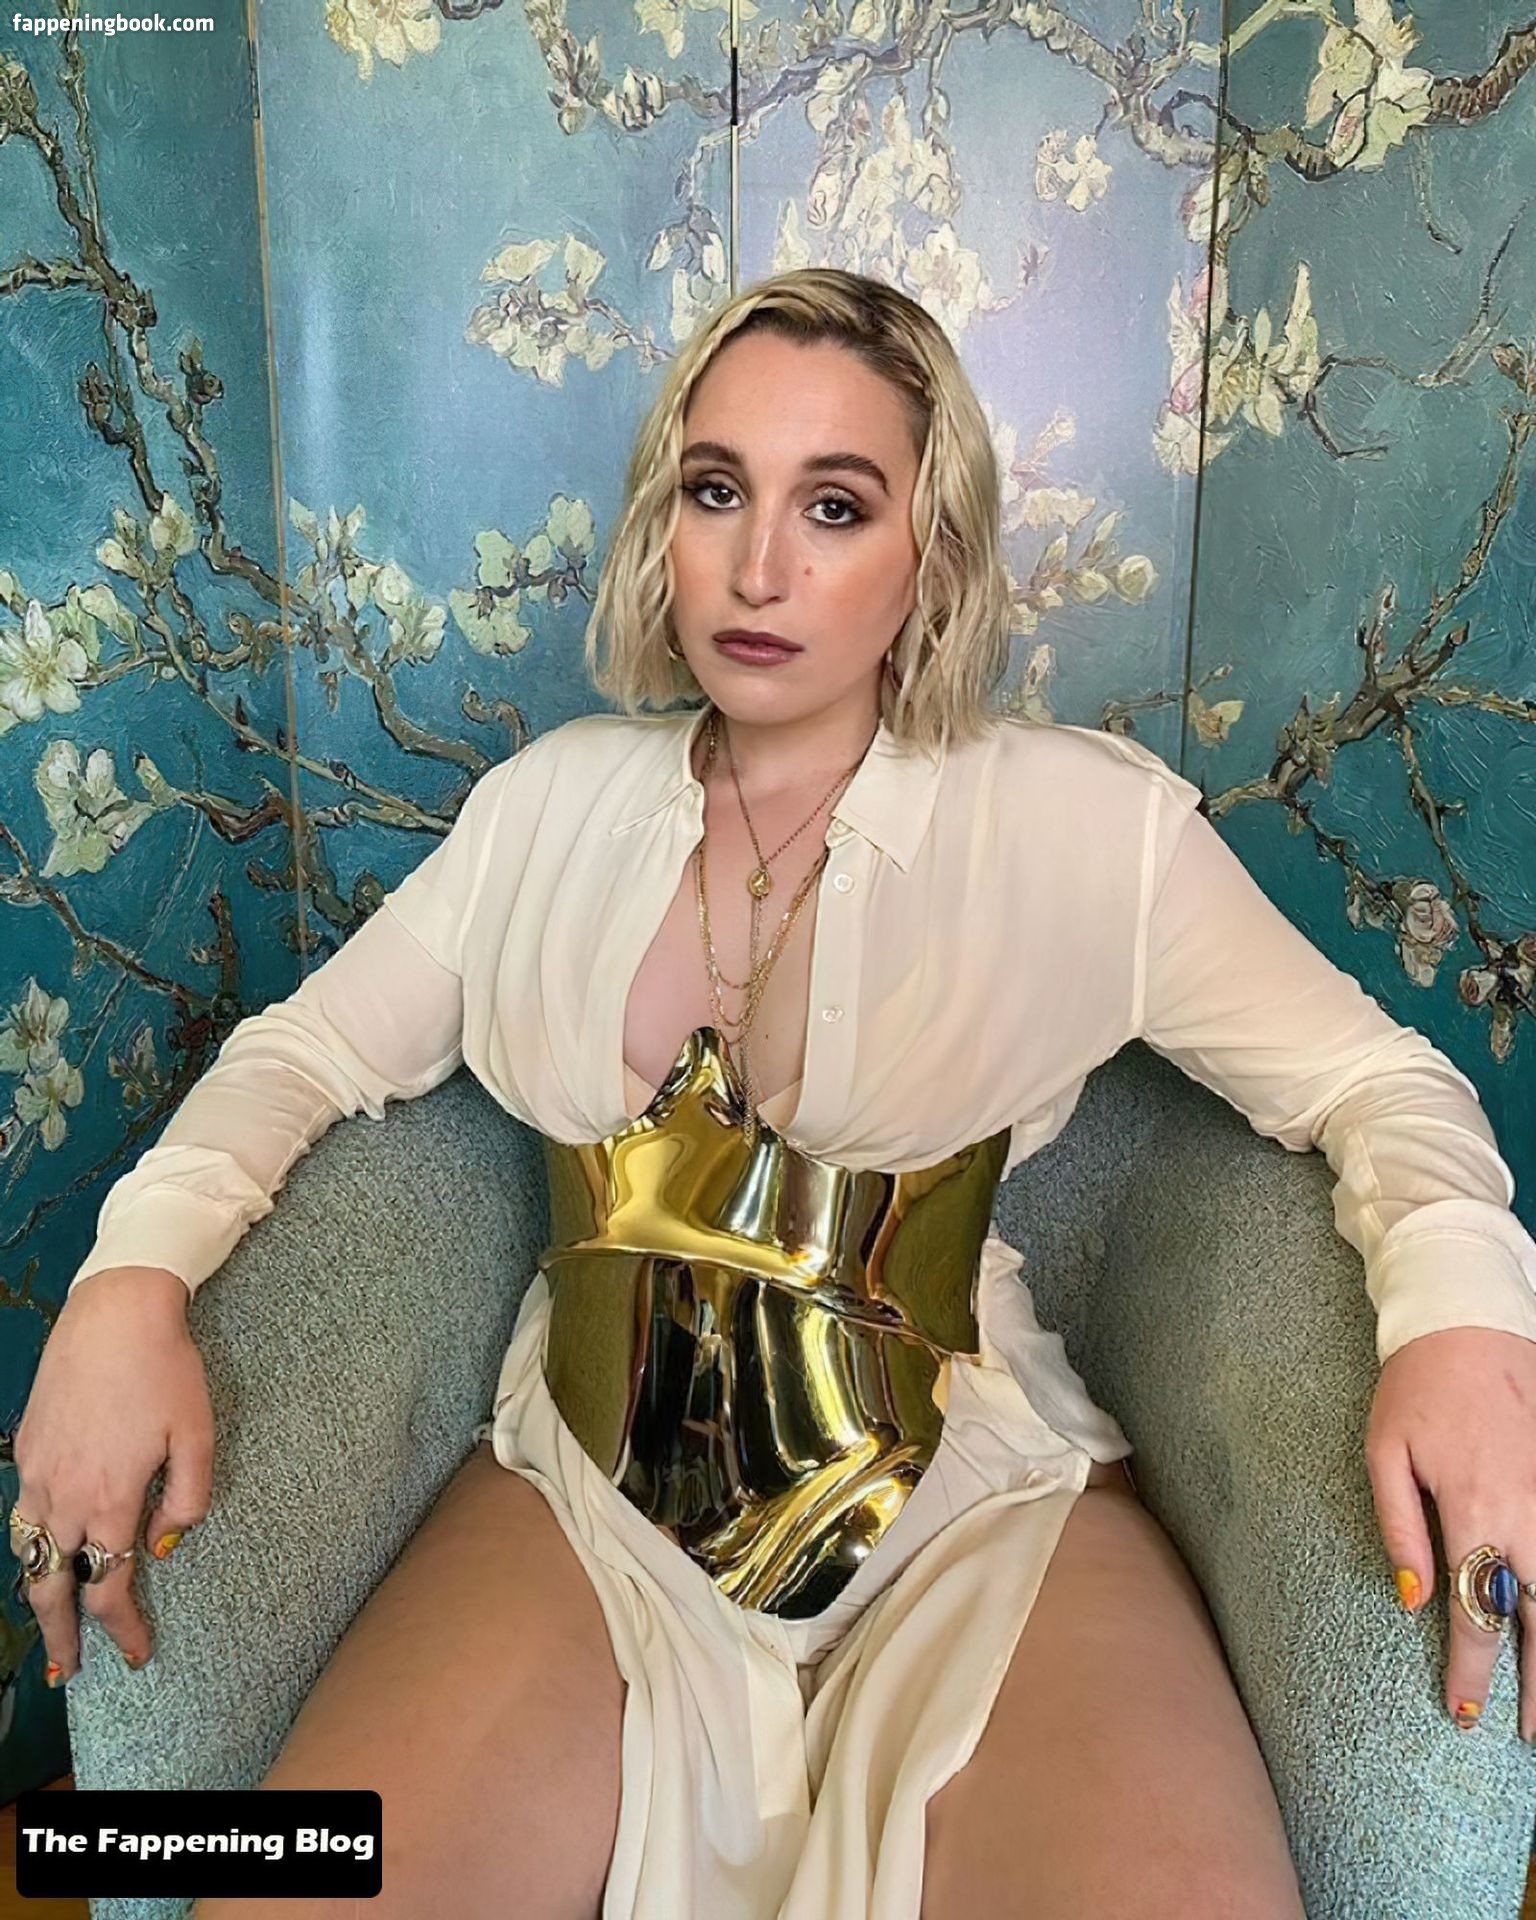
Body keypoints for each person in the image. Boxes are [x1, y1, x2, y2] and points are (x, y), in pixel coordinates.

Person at [14, 267, 1536, 1919]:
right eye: (717, 490)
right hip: (583, 1501)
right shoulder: (540, 810)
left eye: (836, 506)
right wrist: (126, 1286)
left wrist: (1463, 1328)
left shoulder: (1090, 827)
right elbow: (303, 1051)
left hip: (972, 1503)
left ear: (930, 555)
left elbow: (1376, 1079)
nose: (758, 569)